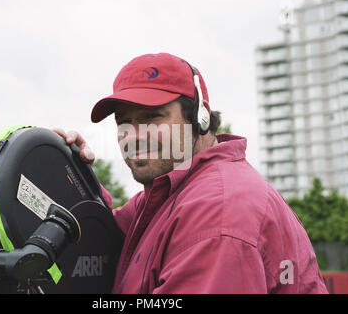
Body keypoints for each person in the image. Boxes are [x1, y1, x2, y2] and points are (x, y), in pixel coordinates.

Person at [53, 52, 328, 294]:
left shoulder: (217, 209)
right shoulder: (168, 193)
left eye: (152, 117)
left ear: (201, 117)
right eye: (124, 121)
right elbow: (100, 236)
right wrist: (74, 177)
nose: (134, 135)